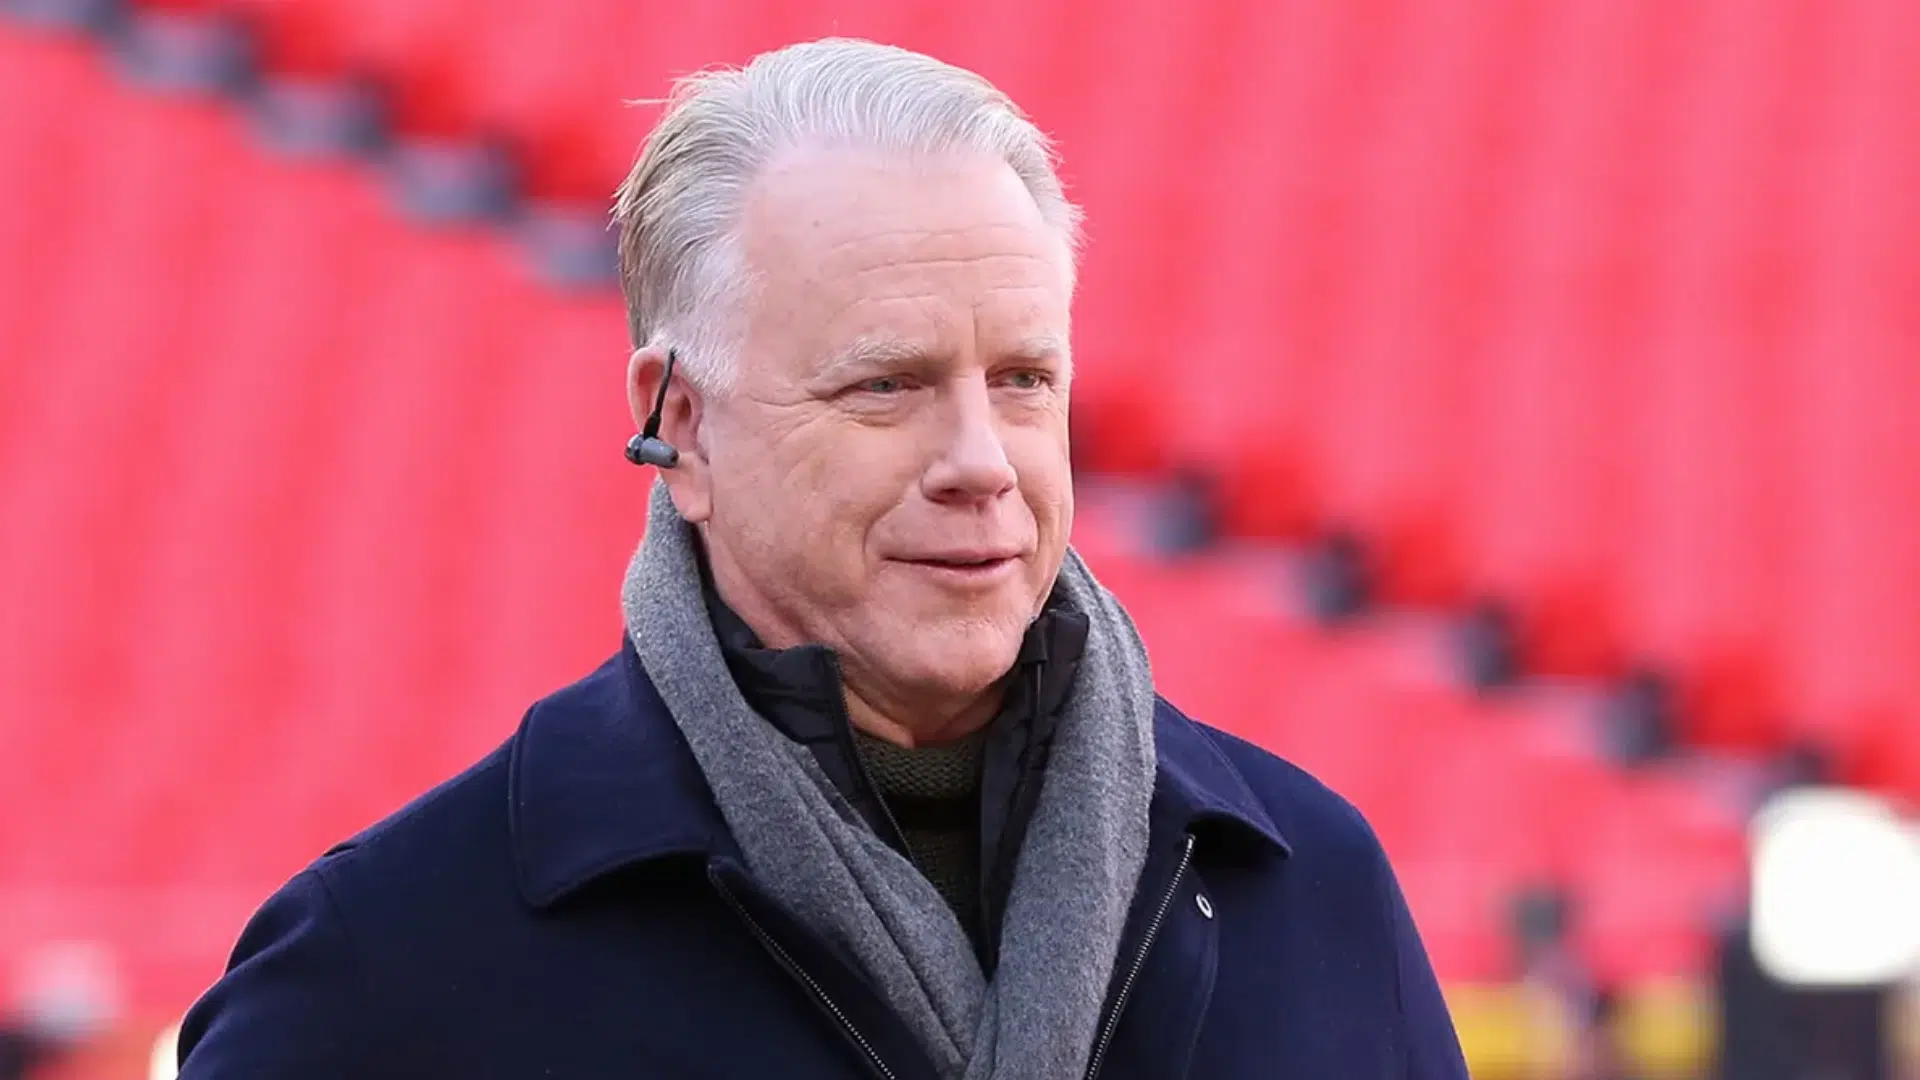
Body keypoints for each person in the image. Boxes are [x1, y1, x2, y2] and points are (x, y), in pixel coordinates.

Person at [176, 38, 1467, 1079]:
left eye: (1022, 380)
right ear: (677, 423)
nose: (982, 458)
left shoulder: (1307, 884)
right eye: (886, 385)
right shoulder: (396, 962)